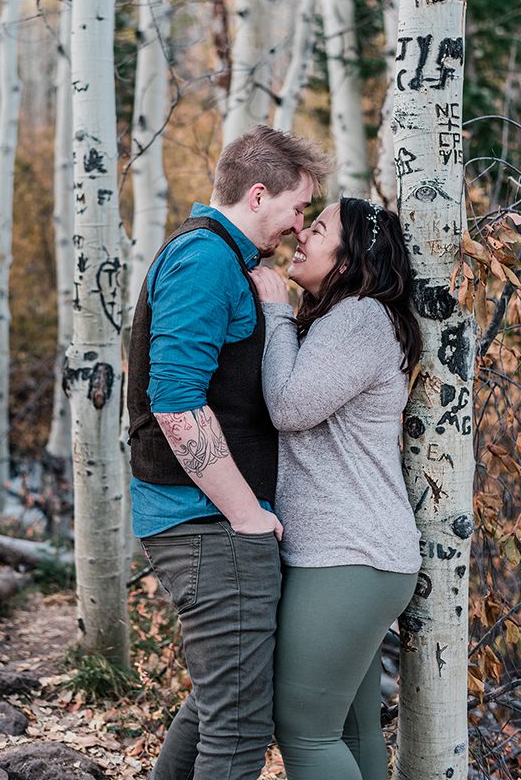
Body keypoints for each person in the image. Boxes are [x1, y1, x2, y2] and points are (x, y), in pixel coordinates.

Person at [126, 125, 334, 780]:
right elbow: (176, 399)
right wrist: (245, 512)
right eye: (298, 207)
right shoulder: (205, 259)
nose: (299, 225)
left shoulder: (223, 259)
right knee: (240, 730)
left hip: (207, 522)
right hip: (208, 524)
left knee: (219, 706)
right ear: (256, 193)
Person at [250, 198, 421, 780]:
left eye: (318, 229)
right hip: (363, 557)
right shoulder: (355, 319)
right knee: (348, 729)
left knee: (303, 731)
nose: (302, 234)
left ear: (350, 260)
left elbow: (290, 406)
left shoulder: (358, 318)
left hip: (347, 555)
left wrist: (275, 312)